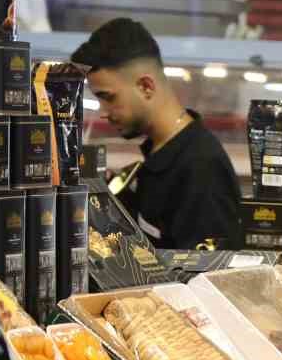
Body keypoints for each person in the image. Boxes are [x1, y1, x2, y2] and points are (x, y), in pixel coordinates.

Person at [71, 18, 240, 250]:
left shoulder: (201, 168)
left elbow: (208, 278)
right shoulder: (158, 159)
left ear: (146, 87)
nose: (103, 112)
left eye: (109, 97)